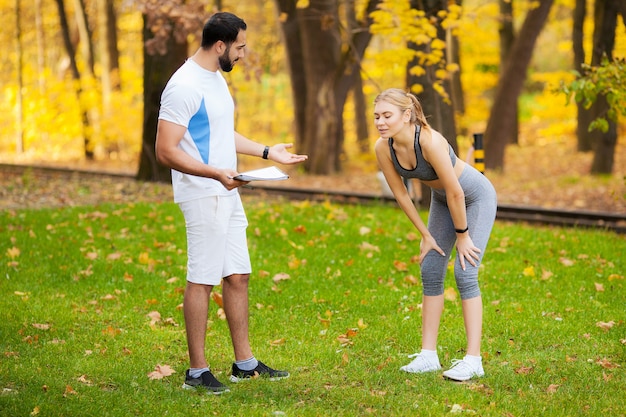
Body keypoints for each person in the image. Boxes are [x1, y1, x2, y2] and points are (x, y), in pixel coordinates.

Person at [155, 12, 308, 394]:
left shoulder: (216, 80)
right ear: (220, 45)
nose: (244, 52)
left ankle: (245, 364)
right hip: (204, 192)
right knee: (203, 279)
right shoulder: (184, 85)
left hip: (227, 188)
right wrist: (215, 174)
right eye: (239, 46)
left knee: (237, 275)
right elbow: (165, 150)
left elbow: (223, 131)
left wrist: (269, 152)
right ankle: (196, 371)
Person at [373, 88, 497, 382]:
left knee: (466, 272)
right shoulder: (383, 147)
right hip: (443, 201)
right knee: (430, 267)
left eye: (387, 115)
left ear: (406, 115)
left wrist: (463, 236)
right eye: (376, 116)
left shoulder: (429, 141)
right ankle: (428, 356)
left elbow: (456, 190)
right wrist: (426, 234)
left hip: (474, 197)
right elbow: (402, 195)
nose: (380, 121)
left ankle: (473, 360)